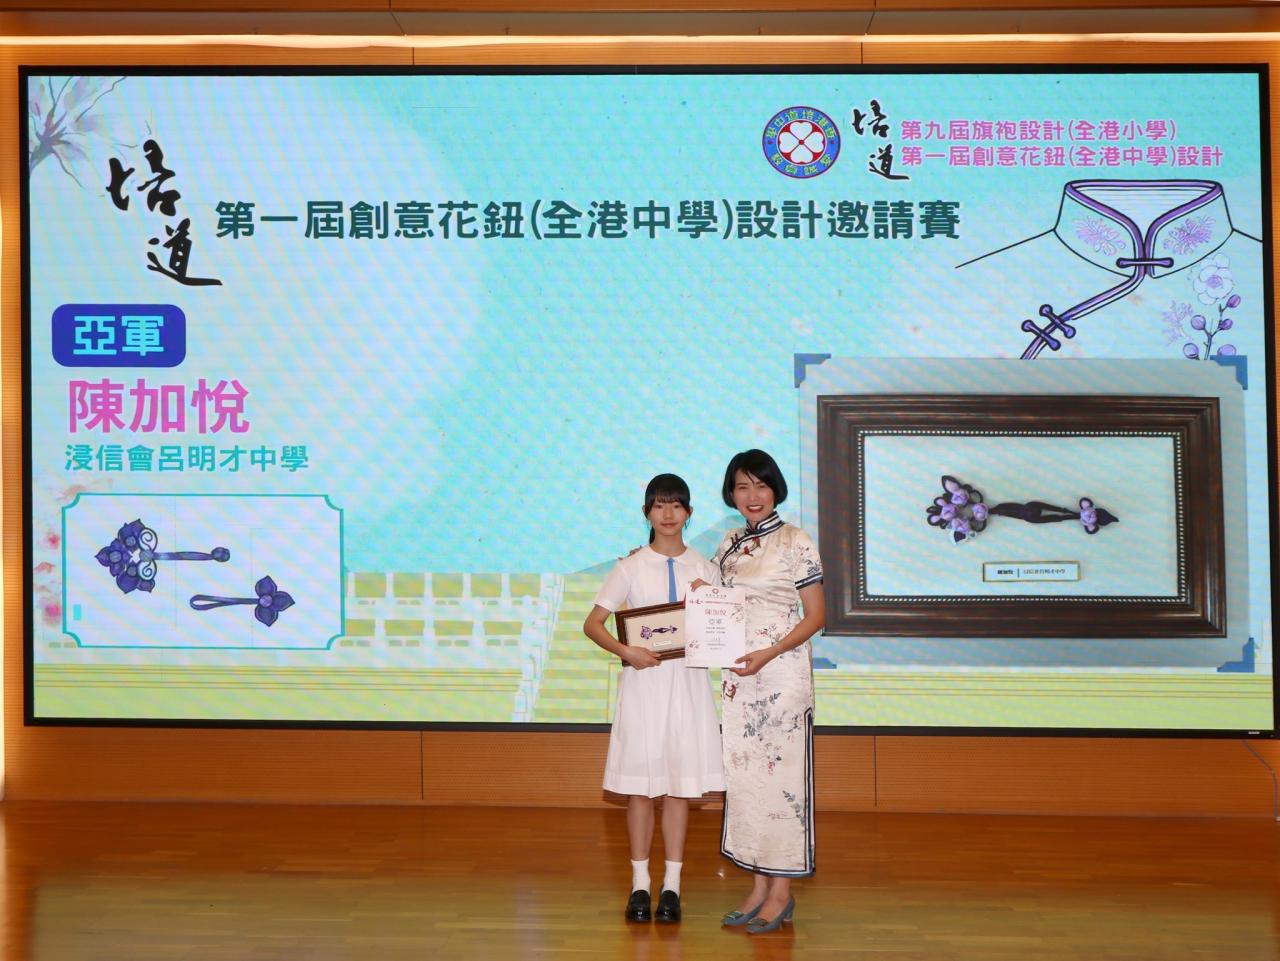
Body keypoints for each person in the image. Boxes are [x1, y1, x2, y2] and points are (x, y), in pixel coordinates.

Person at [583, 473, 725, 924]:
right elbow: (593, 624)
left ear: (689, 513)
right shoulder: (629, 566)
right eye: (659, 505)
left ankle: (672, 887)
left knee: (679, 789)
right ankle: (640, 885)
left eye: (676, 505)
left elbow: (721, 634)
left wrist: (710, 602)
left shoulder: (706, 569)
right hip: (643, 687)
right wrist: (627, 652)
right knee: (641, 791)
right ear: (646, 513)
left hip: (688, 687)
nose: (668, 514)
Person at [705, 449, 825, 934]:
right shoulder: (729, 543)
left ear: (776, 489)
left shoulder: (796, 540)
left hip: (780, 675)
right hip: (739, 678)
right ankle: (757, 888)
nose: (752, 496)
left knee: (781, 783)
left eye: (760, 485)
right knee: (747, 782)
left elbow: (816, 616)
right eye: (742, 486)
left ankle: (781, 893)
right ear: (731, 494)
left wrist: (770, 652)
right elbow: (705, 599)